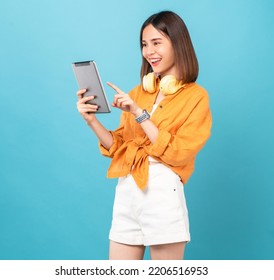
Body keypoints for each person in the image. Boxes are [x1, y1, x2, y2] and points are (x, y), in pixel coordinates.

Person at [76, 11, 212, 260]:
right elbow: (118, 148)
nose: (149, 52)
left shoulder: (196, 97)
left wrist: (139, 113)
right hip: (127, 189)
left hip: (161, 192)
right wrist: (91, 121)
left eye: (156, 42)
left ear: (178, 43)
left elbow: (178, 154)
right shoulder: (138, 92)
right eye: (144, 44)